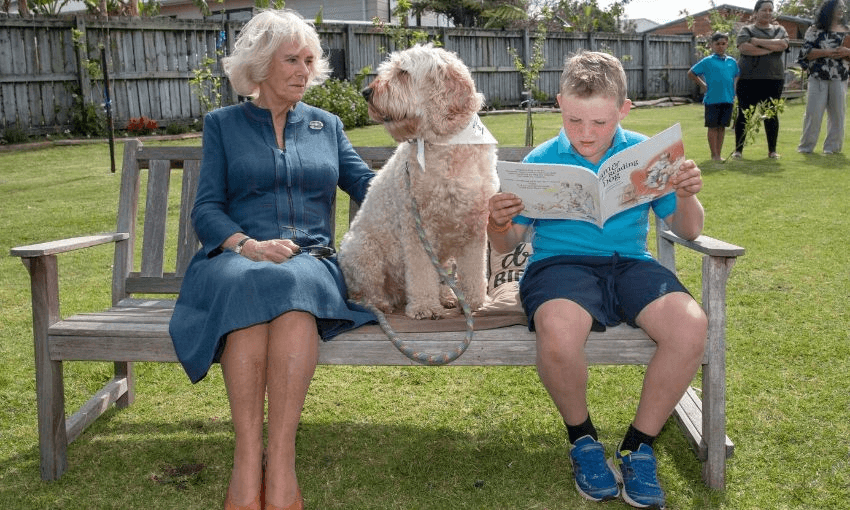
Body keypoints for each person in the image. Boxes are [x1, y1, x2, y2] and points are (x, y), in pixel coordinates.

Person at [168, 9, 375, 510]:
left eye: (310, 60)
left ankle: (279, 461)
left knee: (290, 282)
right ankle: (248, 456)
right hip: (237, 257)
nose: (304, 70)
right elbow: (207, 207)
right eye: (291, 60)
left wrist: (421, 178)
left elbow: (369, 188)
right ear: (261, 66)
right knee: (251, 280)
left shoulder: (327, 125)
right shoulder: (223, 125)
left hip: (311, 258)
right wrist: (247, 245)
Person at [487, 51, 707, 509]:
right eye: (574, 120)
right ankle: (583, 439)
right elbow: (507, 245)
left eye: (600, 123)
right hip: (559, 267)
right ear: (560, 104)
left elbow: (688, 231)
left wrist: (685, 196)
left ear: (624, 110)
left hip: (629, 263)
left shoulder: (648, 154)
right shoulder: (542, 159)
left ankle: (638, 446)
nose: (586, 134)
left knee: (690, 326)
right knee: (560, 330)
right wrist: (497, 220)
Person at [733, 0, 789, 159]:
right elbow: (744, 48)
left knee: (771, 115)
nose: (768, 13)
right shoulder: (747, 29)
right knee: (744, 115)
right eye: (764, 10)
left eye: (771, 10)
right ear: (756, 12)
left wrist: (757, 42)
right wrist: (770, 49)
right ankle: (738, 151)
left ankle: (772, 151)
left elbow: (783, 44)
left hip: (774, 79)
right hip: (748, 79)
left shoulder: (780, 29)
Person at [797, 0, 850, 154]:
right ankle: (806, 148)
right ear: (828, 9)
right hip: (817, 76)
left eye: (843, 7)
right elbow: (806, 53)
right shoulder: (814, 30)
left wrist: (847, 52)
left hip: (840, 77)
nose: (842, 9)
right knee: (813, 113)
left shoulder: (848, 30)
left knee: (838, 115)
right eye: (838, 7)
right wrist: (829, 52)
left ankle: (832, 149)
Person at [688, 32, 740, 161]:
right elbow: (691, 73)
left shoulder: (732, 62)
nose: (720, 46)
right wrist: (703, 85)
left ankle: (719, 154)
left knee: (722, 127)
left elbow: (736, 75)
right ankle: (714, 155)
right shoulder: (707, 61)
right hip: (712, 99)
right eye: (717, 44)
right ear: (712, 45)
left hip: (728, 99)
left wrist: (734, 89)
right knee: (712, 127)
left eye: (723, 44)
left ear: (727, 44)